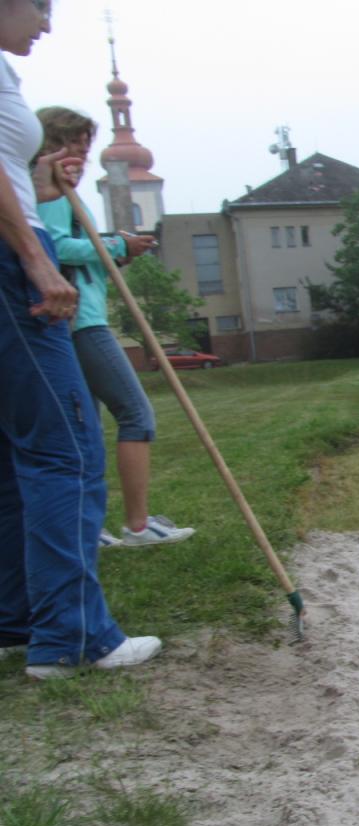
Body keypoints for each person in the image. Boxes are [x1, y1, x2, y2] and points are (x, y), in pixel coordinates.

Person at [0, 0, 161, 677]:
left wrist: (40, 182)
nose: (45, 22)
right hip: (14, 267)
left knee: (19, 453)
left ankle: (19, 619)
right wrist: (37, 262)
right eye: (40, 6)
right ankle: (72, 636)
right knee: (64, 449)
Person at [36, 106, 194, 549]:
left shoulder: (58, 193)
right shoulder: (51, 194)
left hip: (77, 320)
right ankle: (137, 526)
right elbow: (56, 249)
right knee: (135, 414)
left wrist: (116, 251)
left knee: (86, 430)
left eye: (86, 148)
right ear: (51, 145)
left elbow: (74, 253)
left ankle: (89, 529)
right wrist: (116, 245)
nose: (81, 156)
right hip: (82, 324)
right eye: (74, 145)